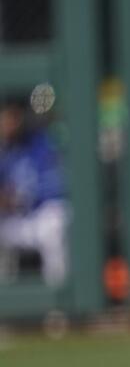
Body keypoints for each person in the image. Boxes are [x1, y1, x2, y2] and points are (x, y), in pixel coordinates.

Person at [0, 100, 69, 289]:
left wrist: (18, 198)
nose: (9, 123)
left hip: (40, 216)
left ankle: (58, 302)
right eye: (6, 117)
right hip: (14, 220)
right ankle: (6, 305)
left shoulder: (39, 143)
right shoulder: (5, 151)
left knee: (54, 224)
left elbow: (52, 187)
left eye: (13, 117)